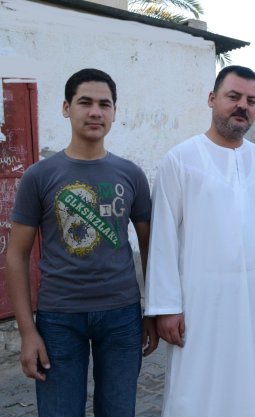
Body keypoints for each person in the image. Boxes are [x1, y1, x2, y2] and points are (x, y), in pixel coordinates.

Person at [5, 68, 158, 417]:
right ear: (66, 108)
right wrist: (27, 332)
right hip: (58, 318)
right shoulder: (39, 176)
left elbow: (151, 247)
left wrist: (152, 311)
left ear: (114, 112)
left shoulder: (131, 174)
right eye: (85, 102)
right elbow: (16, 256)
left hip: (122, 315)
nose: (95, 112)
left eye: (105, 104)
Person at [144, 65, 255, 417]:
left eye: (251, 101)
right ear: (212, 99)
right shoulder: (180, 159)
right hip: (200, 303)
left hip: (254, 300)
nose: (242, 106)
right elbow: (162, 238)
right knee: (198, 387)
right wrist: (166, 307)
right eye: (233, 97)